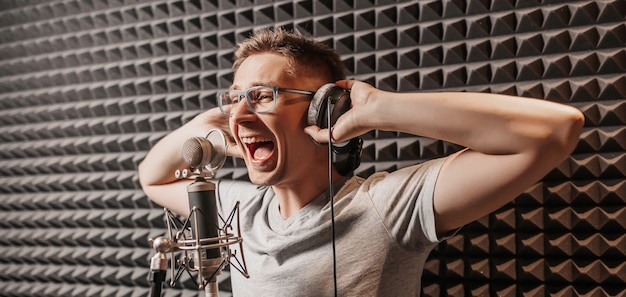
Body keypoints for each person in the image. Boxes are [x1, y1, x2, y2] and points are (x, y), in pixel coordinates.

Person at [138, 27, 584, 297]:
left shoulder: (384, 208)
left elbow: (554, 130)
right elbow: (152, 176)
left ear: (323, 110)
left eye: (263, 95)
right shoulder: (242, 212)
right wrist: (219, 119)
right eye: (234, 99)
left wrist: (379, 109)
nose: (239, 113)